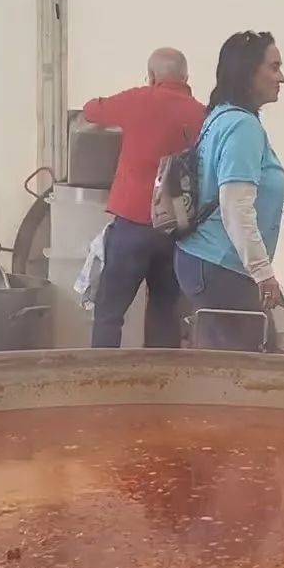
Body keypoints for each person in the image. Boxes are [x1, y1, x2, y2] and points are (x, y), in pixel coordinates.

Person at [82, 47, 204, 349]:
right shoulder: (203, 113)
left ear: (151, 76)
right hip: (176, 230)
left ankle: (102, 381)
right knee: (164, 314)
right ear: (186, 77)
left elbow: (90, 110)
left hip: (132, 226)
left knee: (110, 312)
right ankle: (161, 388)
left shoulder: (137, 100)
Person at [174, 31, 284, 352]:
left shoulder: (219, 116)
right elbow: (235, 207)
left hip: (202, 259)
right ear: (248, 72)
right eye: (274, 66)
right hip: (220, 264)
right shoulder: (242, 126)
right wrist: (263, 272)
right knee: (247, 367)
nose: (282, 77)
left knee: (226, 360)